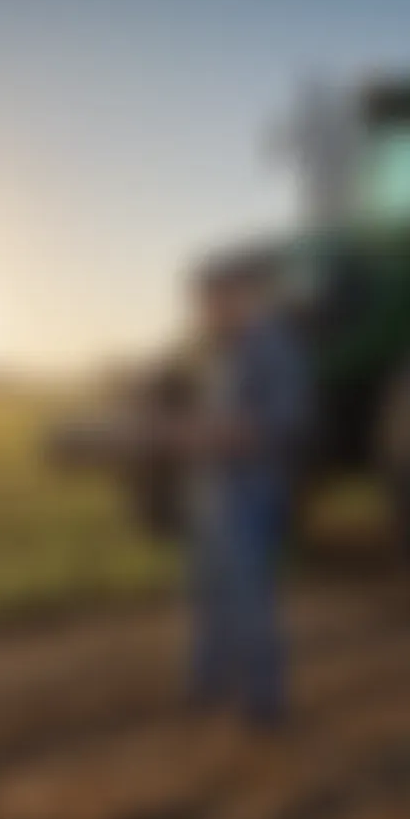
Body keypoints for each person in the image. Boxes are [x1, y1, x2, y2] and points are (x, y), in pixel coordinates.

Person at [155, 259, 310, 727]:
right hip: (212, 489)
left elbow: (286, 421)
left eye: (210, 303)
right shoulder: (223, 352)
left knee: (249, 598)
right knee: (206, 591)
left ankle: (266, 702)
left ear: (238, 297)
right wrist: (188, 432)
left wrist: (210, 436)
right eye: (199, 305)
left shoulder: (274, 348)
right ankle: (209, 683)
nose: (203, 314)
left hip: (251, 491)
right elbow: (214, 416)